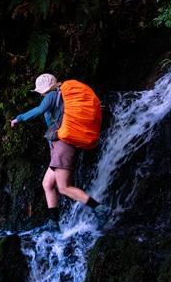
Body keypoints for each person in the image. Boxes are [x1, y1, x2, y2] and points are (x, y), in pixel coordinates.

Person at [11, 73, 108, 228]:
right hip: (60, 146)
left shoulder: (51, 96)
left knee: (64, 187)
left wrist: (19, 118)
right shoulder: (61, 97)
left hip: (63, 146)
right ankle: (53, 222)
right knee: (47, 183)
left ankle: (99, 208)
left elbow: (39, 110)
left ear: (43, 90)